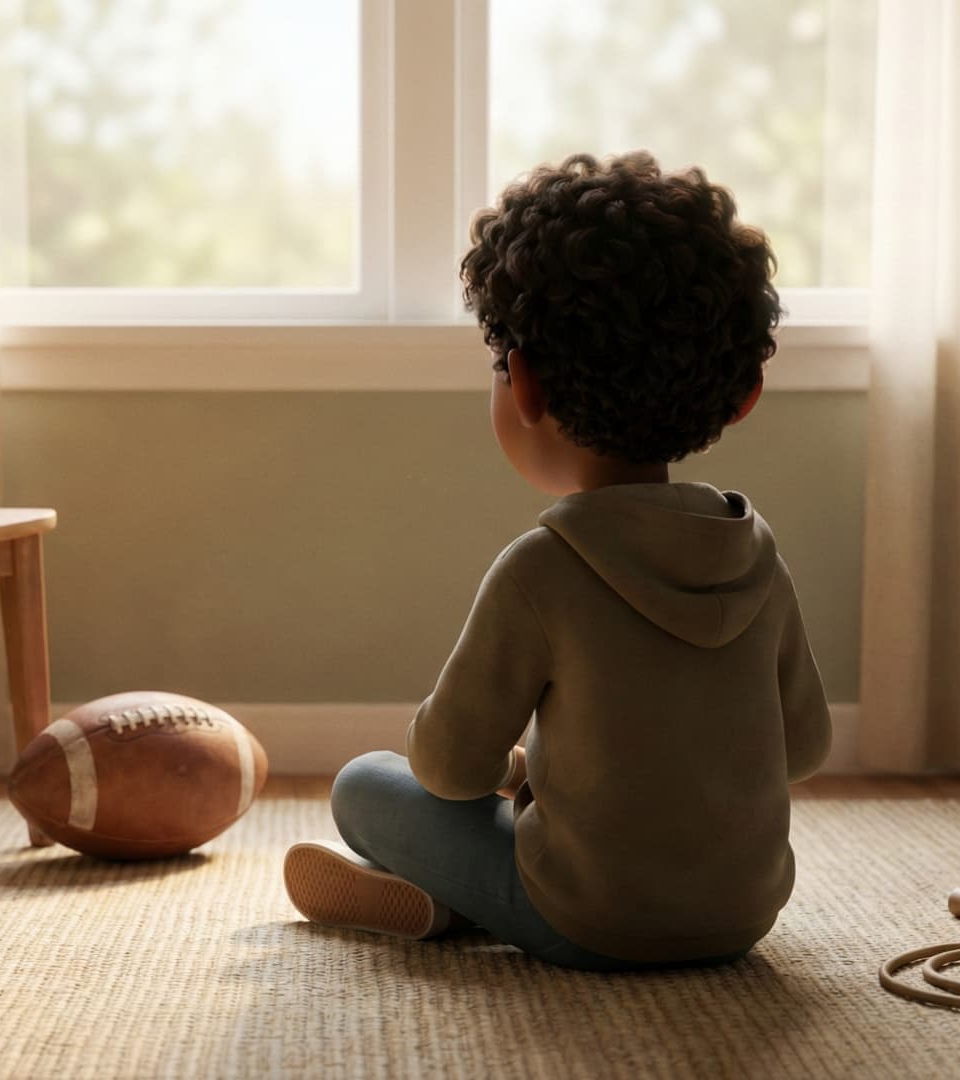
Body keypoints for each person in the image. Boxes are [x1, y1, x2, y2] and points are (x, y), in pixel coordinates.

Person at [282, 151, 831, 971]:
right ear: (744, 393)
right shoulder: (758, 559)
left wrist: (512, 769)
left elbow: (450, 769)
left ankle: (458, 902)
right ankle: (457, 899)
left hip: (589, 920)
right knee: (525, 819)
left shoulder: (542, 569)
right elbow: (806, 748)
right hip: (743, 915)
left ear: (526, 384)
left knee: (365, 784)